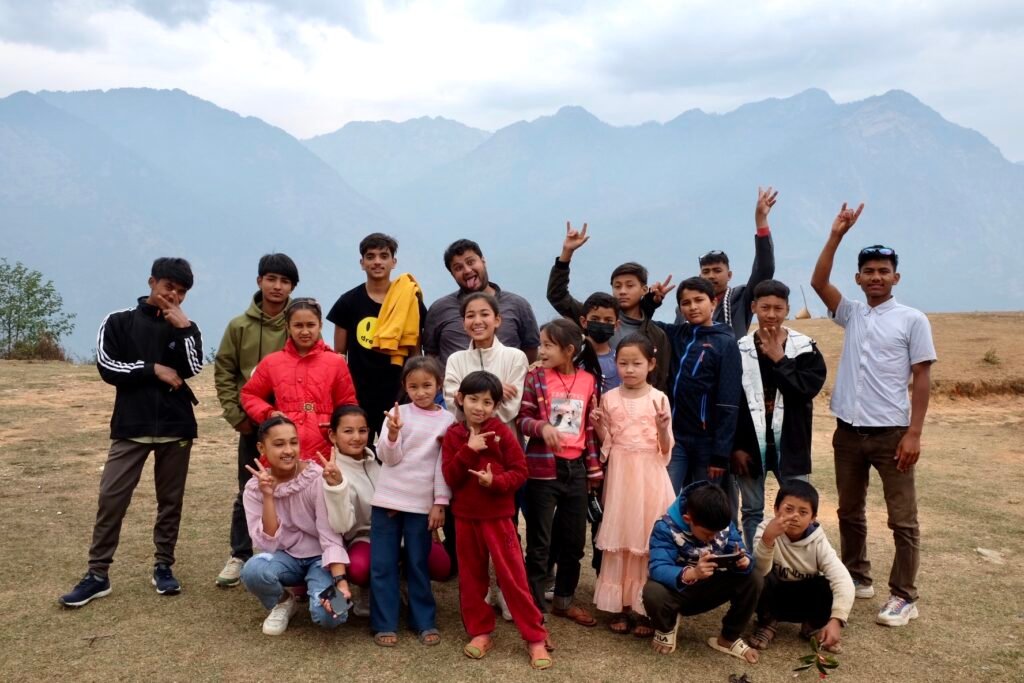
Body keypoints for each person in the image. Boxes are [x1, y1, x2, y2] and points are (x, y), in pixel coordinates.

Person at [811, 202, 936, 627]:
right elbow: (818, 282)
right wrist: (836, 235)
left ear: (896, 277)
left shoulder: (912, 320)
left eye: (884, 271)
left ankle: (904, 596)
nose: (876, 277)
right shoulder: (852, 313)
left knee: (902, 519)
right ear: (859, 278)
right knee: (849, 511)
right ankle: (856, 576)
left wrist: (914, 433)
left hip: (892, 433)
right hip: (848, 431)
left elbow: (922, 377)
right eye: (869, 271)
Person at [59, 257, 203, 608]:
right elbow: (107, 366)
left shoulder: (186, 326)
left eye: (181, 291)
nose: (174, 296)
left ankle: (164, 566)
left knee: (170, 502)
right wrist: (152, 369)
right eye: (168, 287)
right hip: (130, 426)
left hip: (176, 426)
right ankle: (97, 574)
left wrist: (184, 328)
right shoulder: (119, 321)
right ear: (152, 282)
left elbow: (194, 366)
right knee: (112, 497)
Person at [441, 371, 551, 670]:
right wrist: (468, 450)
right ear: (460, 399)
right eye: (473, 399)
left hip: (499, 518)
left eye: (487, 402)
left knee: (513, 577)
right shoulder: (453, 435)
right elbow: (450, 476)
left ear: (496, 406)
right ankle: (480, 632)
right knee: (471, 579)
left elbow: (520, 471)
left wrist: (496, 482)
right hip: (465, 518)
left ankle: (535, 637)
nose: (479, 407)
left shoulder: (501, 432)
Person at [213, 252, 299, 588]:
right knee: (248, 486)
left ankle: (292, 551)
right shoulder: (239, 326)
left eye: (285, 281)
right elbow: (224, 371)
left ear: (292, 287)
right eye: (271, 279)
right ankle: (240, 553)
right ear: (259, 280)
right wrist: (237, 416)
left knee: (295, 486)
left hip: (291, 426)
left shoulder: (298, 323)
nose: (277, 286)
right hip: (251, 424)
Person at [518, 319, 603, 626]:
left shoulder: (589, 381)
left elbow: (589, 430)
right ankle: (534, 608)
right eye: (541, 344)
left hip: (576, 470)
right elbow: (522, 418)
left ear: (569, 350)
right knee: (540, 543)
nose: (541, 351)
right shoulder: (536, 378)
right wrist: (542, 427)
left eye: (548, 345)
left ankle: (564, 602)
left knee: (573, 541)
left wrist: (593, 470)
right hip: (543, 469)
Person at [590, 335, 675, 637]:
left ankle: (644, 607)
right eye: (623, 363)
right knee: (622, 534)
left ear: (650, 364)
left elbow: (666, 450)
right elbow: (608, 444)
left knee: (645, 537)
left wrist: (663, 428)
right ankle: (622, 606)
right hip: (621, 476)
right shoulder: (609, 397)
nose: (629, 369)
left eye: (636, 363)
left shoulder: (659, 398)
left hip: (649, 476)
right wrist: (598, 425)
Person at [732, 279, 827, 548]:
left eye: (778, 308)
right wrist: (735, 447)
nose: (771, 314)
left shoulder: (805, 347)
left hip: (792, 443)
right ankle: (756, 561)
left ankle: (793, 561)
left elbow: (805, 391)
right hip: (750, 446)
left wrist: (780, 359)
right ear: (754, 307)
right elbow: (732, 403)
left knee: (797, 509)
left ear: (787, 309)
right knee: (752, 509)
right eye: (765, 307)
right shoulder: (740, 349)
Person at [371, 356, 455, 647]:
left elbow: (443, 465)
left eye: (427, 385)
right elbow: (387, 457)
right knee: (382, 563)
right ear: (405, 386)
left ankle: (423, 620)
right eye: (414, 386)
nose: (420, 392)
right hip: (388, 501)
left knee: (418, 563)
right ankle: (384, 622)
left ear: (439, 385)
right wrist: (393, 434)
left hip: (421, 505)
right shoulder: (397, 414)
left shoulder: (447, 420)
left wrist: (440, 502)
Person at [239, 416, 351, 636]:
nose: (288, 450)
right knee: (252, 570)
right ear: (261, 447)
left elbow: (330, 535)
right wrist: (268, 496)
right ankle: (283, 602)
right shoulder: (254, 488)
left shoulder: (315, 477)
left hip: (321, 560)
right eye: (279, 444)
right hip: (285, 558)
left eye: (293, 442)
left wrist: (341, 582)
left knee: (332, 616)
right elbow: (267, 544)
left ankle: (325, 594)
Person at [642, 481, 761, 662]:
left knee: (754, 577)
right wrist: (692, 573)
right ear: (688, 519)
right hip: (679, 591)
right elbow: (658, 567)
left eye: (717, 533)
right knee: (653, 591)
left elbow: (740, 549)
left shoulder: (722, 522)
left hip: (710, 587)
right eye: (707, 534)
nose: (713, 538)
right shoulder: (665, 527)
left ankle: (728, 638)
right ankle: (666, 627)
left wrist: (744, 561)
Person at [326, 233, 426, 443]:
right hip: (359, 394)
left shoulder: (409, 299)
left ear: (393, 262)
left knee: (398, 450)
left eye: (384, 256)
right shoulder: (348, 302)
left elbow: (416, 351)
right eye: (370, 257)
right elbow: (339, 355)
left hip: (399, 393)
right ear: (362, 263)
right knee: (358, 450)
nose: (377, 262)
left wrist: (414, 389)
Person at [548, 222, 670, 390]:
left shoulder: (657, 335)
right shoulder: (596, 316)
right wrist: (566, 253)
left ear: (644, 289)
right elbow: (557, 296)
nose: (623, 291)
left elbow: (661, 378)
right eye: (617, 286)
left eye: (629, 285)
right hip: (589, 397)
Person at [649, 277, 742, 494]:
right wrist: (651, 302)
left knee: (702, 502)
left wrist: (720, 453)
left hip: (707, 442)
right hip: (675, 437)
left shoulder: (725, 343)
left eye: (699, 300)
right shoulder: (676, 335)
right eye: (686, 302)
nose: (692, 307)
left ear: (713, 303)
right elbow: (644, 324)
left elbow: (729, 402)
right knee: (665, 496)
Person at [241, 299, 357, 463]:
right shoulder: (272, 362)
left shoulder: (336, 362)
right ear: (287, 327)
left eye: (310, 325)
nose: (305, 331)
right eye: (298, 325)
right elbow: (249, 394)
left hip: (325, 446)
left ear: (320, 326)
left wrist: (339, 431)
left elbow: (347, 404)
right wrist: (269, 413)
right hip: (283, 444)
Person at [749, 481, 854, 654]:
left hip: (802, 599)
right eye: (789, 509)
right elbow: (760, 570)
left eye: (803, 512)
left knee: (826, 585)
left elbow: (842, 579)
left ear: (813, 518)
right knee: (756, 576)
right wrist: (768, 540)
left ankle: (812, 625)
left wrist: (837, 620)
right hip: (773, 597)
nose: (794, 516)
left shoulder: (818, 541)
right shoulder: (765, 529)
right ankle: (767, 623)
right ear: (776, 510)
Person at [424, 239, 540, 365]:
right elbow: (431, 356)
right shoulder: (439, 309)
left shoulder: (518, 305)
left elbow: (531, 351)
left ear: (483, 261)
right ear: (452, 274)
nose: (467, 270)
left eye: (471, 262)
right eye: (458, 268)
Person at [681, 187, 777, 338]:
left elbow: (764, 269)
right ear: (700, 277)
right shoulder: (687, 306)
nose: (711, 276)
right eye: (706, 272)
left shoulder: (740, 299)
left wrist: (761, 220)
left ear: (729, 275)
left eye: (717, 270)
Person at [320, 405, 380, 618]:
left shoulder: (379, 459)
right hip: (361, 538)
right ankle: (368, 587)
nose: (356, 437)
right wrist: (336, 487)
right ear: (332, 435)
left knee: (440, 563)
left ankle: (400, 579)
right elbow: (342, 526)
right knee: (359, 568)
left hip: (394, 532)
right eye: (348, 431)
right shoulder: (332, 471)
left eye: (362, 430)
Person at [443, 292, 529, 433]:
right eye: (470, 316)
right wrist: (495, 390)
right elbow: (454, 407)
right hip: (467, 441)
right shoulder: (455, 360)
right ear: (463, 323)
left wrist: (470, 400)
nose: (477, 321)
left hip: (504, 441)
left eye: (484, 314)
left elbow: (510, 409)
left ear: (497, 320)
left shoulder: (516, 357)